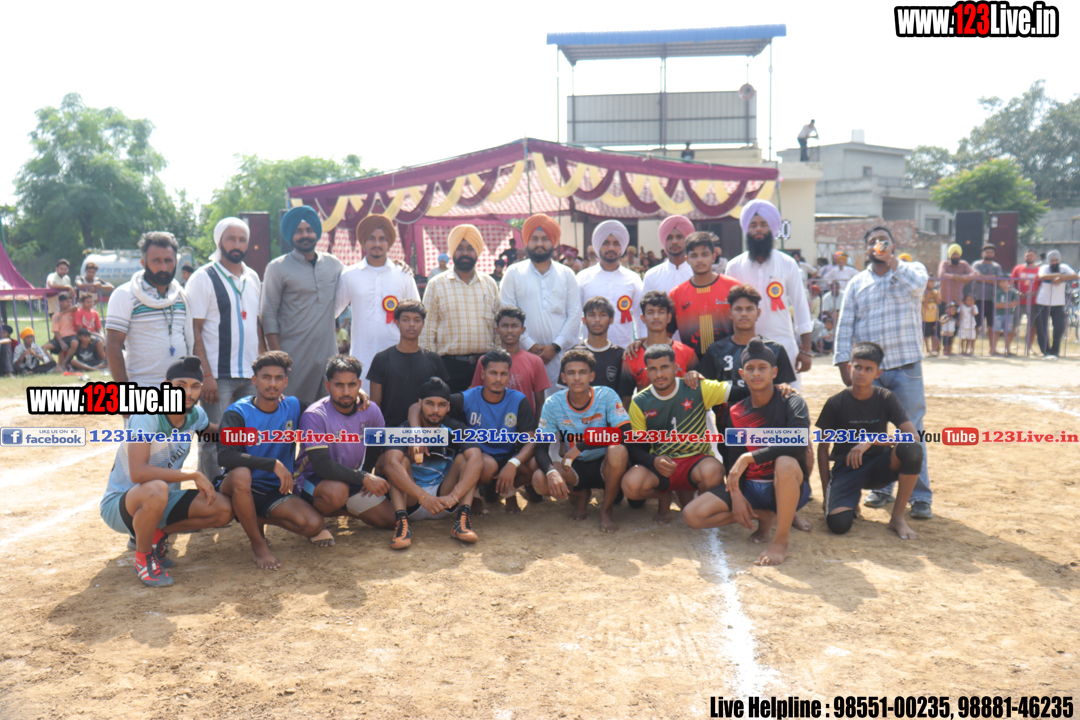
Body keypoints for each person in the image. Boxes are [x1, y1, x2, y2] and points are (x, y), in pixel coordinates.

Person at [98, 356, 234, 586]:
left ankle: (157, 536)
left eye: (195, 386)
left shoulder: (195, 415)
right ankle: (143, 558)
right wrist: (193, 474)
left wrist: (251, 424)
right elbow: (138, 473)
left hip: (162, 499)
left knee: (223, 510)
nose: (188, 392)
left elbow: (215, 432)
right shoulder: (147, 415)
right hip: (123, 505)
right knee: (156, 488)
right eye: (180, 385)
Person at [833, 226, 932, 519]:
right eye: (873, 242)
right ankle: (882, 489)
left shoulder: (912, 271)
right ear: (866, 249)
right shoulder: (857, 283)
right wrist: (843, 364)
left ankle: (920, 497)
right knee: (874, 431)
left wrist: (893, 261)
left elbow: (918, 286)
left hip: (906, 368)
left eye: (883, 241)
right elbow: (845, 325)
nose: (878, 245)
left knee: (911, 431)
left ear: (893, 245)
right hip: (870, 372)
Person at [682, 339, 811, 566]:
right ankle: (764, 515)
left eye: (762, 368)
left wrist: (750, 457)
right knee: (692, 515)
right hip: (752, 487)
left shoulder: (792, 401)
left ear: (774, 372)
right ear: (742, 374)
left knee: (785, 463)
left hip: (785, 484)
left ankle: (780, 542)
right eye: (750, 368)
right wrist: (737, 495)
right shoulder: (736, 411)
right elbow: (734, 457)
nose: (756, 373)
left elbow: (799, 440)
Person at [216, 351, 324, 570]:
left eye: (278, 378)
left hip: (275, 489)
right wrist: (272, 464)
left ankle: (253, 517)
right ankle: (259, 545)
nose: (272, 384)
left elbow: (326, 412)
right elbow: (224, 455)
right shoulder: (238, 412)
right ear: (255, 380)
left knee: (314, 525)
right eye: (266, 377)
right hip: (239, 486)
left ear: (286, 382)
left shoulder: (293, 406)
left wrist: (358, 394)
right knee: (241, 474)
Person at [816, 341, 923, 540]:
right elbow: (823, 450)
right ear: (849, 368)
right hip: (846, 469)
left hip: (879, 467)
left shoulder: (886, 398)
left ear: (877, 373)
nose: (861, 373)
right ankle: (850, 502)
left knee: (912, 449)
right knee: (838, 525)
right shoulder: (835, 403)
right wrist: (826, 494)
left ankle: (897, 517)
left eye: (868, 369)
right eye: (857, 367)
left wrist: (871, 439)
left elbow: (913, 436)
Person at [186, 217, 264, 482]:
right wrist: (205, 375)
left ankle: (242, 487)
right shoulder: (203, 277)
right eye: (231, 239)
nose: (237, 244)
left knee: (248, 435)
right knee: (213, 437)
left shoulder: (253, 277)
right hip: (217, 375)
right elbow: (195, 329)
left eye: (242, 239)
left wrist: (262, 368)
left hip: (250, 374)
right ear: (219, 241)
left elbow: (256, 325)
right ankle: (210, 491)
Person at [414, 349, 539, 515]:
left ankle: (503, 490)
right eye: (493, 373)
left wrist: (513, 464)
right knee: (487, 465)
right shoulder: (467, 398)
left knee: (534, 465)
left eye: (503, 374)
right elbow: (416, 408)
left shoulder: (518, 400)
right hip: (480, 459)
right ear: (483, 374)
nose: (498, 379)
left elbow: (531, 441)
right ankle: (475, 496)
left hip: (509, 456)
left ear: (509, 376)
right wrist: (417, 434)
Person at [621, 345, 731, 524]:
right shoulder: (640, 401)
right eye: (653, 369)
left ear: (676, 367)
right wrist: (653, 461)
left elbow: (738, 391)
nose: (659, 374)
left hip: (695, 461)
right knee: (631, 485)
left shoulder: (696, 387)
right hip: (662, 465)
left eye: (664, 367)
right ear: (647, 371)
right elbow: (635, 448)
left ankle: (699, 510)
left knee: (714, 472)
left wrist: (775, 388)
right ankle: (664, 497)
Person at [294, 356, 396, 546]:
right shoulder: (315, 415)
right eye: (339, 385)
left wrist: (365, 473)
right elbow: (322, 465)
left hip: (350, 479)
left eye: (351, 385)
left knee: (390, 520)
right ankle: (312, 517)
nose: (346, 391)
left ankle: (341, 506)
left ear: (359, 384)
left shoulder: (371, 410)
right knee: (336, 492)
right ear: (328, 385)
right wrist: (363, 477)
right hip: (313, 479)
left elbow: (375, 448)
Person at [532, 349, 631, 533]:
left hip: (605, 465)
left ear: (591, 376)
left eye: (582, 372)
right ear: (563, 378)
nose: (577, 378)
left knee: (618, 451)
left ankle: (606, 509)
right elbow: (540, 448)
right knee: (539, 480)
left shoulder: (607, 395)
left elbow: (625, 433)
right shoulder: (553, 403)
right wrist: (550, 471)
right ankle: (581, 494)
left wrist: (581, 445)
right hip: (574, 467)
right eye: (571, 373)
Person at [381, 378, 485, 549]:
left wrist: (454, 497)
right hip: (411, 500)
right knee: (399, 462)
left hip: (444, 500)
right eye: (429, 404)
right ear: (420, 404)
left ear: (448, 407)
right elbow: (390, 466)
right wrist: (423, 497)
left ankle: (462, 521)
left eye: (441, 405)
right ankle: (402, 524)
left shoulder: (456, 428)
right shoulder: (403, 429)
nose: (435, 410)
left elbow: (477, 460)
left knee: (467, 459)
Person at [725, 199, 813, 388]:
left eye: (763, 224)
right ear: (746, 229)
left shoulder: (788, 263)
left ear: (772, 229)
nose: (758, 229)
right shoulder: (734, 266)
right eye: (753, 225)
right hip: (745, 347)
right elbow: (728, 310)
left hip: (783, 343)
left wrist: (806, 349)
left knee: (789, 398)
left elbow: (800, 305)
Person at [261, 205, 343, 409]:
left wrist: (394, 264)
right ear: (291, 235)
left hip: (328, 357)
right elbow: (268, 314)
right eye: (298, 231)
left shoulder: (333, 264)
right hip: (294, 359)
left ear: (317, 232)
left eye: (309, 230)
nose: (305, 235)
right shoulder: (277, 268)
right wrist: (278, 358)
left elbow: (358, 278)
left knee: (327, 415)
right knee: (292, 414)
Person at [334, 214, 420, 392]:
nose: (377, 244)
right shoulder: (349, 275)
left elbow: (418, 315)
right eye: (371, 238)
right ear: (363, 241)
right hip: (362, 358)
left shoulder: (403, 274)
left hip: (399, 357)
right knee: (364, 404)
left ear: (389, 242)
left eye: (382, 239)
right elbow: (332, 313)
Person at [500, 213, 582, 389]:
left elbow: (575, 314)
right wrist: (531, 346)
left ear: (554, 242)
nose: (539, 244)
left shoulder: (567, 274)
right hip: (523, 356)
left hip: (561, 357)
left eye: (545, 239)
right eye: (534, 239)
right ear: (526, 242)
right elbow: (507, 314)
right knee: (526, 401)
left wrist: (556, 346)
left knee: (560, 402)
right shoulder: (513, 273)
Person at [106, 232, 193, 389]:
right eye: (156, 261)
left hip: (180, 390)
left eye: (168, 261)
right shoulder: (125, 294)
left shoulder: (181, 295)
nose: (163, 267)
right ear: (143, 263)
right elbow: (113, 345)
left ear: (176, 262)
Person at [420, 224, 500, 392]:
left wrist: (498, 362)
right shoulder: (436, 284)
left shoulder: (490, 284)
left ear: (477, 251)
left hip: (485, 366)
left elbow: (498, 327)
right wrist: (432, 367)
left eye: (470, 248)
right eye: (460, 248)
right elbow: (427, 330)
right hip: (448, 367)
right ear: (452, 252)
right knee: (451, 408)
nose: (465, 253)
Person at [368, 300, 450, 430]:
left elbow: (441, 401)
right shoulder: (381, 359)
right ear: (397, 323)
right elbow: (375, 406)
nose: (411, 324)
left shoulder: (434, 360)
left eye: (417, 320)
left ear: (423, 324)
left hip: (425, 432)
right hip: (390, 430)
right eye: (406, 320)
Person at [699, 284, 795, 395]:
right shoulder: (715, 351)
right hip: (727, 406)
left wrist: (785, 387)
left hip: (765, 407)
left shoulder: (775, 350)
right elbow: (705, 389)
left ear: (758, 313)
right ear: (730, 313)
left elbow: (784, 388)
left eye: (749, 309)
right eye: (738, 309)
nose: (744, 314)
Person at [667, 232, 739, 359]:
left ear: (713, 257)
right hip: (693, 366)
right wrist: (643, 341)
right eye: (694, 255)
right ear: (687, 259)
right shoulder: (676, 294)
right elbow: (665, 334)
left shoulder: (733, 287)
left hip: (729, 362)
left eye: (705, 254)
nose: (699, 260)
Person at [575, 220, 645, 349]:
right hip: (589, 350)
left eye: (616, 243)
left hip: (625, 349)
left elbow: (639, 314)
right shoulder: (583, 277)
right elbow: (575, 315)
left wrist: (641, 341)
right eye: (606, 243)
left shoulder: (633, 278)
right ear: (598, 246)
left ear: (622, 247)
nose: (611, 248)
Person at [470, 307, 550, 415]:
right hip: (491, 421)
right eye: (505, 326)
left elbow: (540, 402)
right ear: (497, 329)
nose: (509, 331)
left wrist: (536, 425)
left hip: (524, 422)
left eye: (514, 326)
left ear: (522, 330)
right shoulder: (485, 361)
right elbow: (476, 396)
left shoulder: (535, 361)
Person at [619, 291, 697, 395]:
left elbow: (699, 390)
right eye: (650, 312)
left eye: (661, 312)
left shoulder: (687, 353)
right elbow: (625, 397)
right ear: (643, 318)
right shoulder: (632, 355)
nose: (656, 317)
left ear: (669, 317)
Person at [570, 296, 628, 403]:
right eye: (592, 315)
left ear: (611, 320)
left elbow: (625, 396)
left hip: (610, 413)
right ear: (584, 320)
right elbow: (565, 394)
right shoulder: (572, 354)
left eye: (603, 315)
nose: (597, 320)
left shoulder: (620, 355)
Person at [1034, 249, 1078, 359]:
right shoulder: (1044, 267)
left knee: (1059, 327)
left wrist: (1061, 277)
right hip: (1043, 302)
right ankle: (1045, 351)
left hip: (1059, 302)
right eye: (1052, 260)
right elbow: (1042, 276)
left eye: (1056, 260)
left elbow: (1075, 275)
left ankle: (1055, 350)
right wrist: (1060, 276)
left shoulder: (1064, 267)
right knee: (1042, 328)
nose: (1054, 262)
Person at [642, 215, 694, 298]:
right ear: (664, 241)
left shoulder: (696, 273)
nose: (674, 242)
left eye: (679, 237)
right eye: (669, 238)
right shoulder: (652, 276)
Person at [971, 243, 1004, 352]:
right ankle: (971, 348)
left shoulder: (997, 266)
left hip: (993, 299)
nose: (989, 254)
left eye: (991, 252)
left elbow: (998, 280)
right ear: (983, 253)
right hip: (978, 298)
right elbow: (976, 276)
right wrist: (991, 278)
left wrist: (983, 278)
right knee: (976, 325)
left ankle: (992, 348)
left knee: (992, 326)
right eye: (987, 252)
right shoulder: (977, 264)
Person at [1011, 248, 1042, 351]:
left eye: (1031, 256)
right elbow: (1011, 284)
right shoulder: (1017, 268)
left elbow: (1042, 287)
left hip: (1033, 303)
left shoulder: (1040, 270)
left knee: (1032, 326)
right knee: (1013, 325)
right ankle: (1008, 347)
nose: (1029, 258)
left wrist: (1034, 293)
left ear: (1036, 257)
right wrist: (1017, 293)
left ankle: (1028, 348)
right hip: (1018, 302)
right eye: (1027, 256)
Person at [43, 291, 78, 369]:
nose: (69, 304)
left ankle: (64, 363)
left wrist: (62, 313)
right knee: (43, 348)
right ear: (61, 302)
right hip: (60, 337)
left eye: (70, 302)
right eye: (67, 302)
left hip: (71, 336)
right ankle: (55, 365)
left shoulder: (73, 312)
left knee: (74, 343)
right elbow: (56, 331)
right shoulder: (55, 315)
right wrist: (61, 342)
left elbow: (76, 306)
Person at [938, 243, 976, 309]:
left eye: (957, 254)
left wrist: (963, 278)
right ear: (950, 255)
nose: (955, 256)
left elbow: (974, 274)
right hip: (944, 300)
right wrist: (954, 277)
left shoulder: (964, 264)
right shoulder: (944, 263)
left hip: (958, 300)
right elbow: (941, 275)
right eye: (953, 254)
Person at [993, 279, 1020, 355]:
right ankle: (993, 349)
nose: (1002, 284)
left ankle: (1007, 349)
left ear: (1008, 282)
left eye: (1003, 282)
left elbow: (1015, 303)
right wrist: (1009, 305)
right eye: (1000, 282)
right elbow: (996, 305)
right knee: (997, 331)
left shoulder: (1013, 292)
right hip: (998, 314)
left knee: (1007, 332)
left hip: (1009, 314)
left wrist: (1003, 305)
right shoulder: (998, 292)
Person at [922, 283, 941, 356]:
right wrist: (928, 295)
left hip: (935, 318)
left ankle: (934, 350)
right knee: (926, 335)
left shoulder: (936, 292)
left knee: (934, 334)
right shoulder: (923, 293)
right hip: (926, 318)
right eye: (930, 281)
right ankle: (928, 350)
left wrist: (935, 295)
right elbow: (925, 304)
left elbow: (939, 302)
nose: (932, 283)